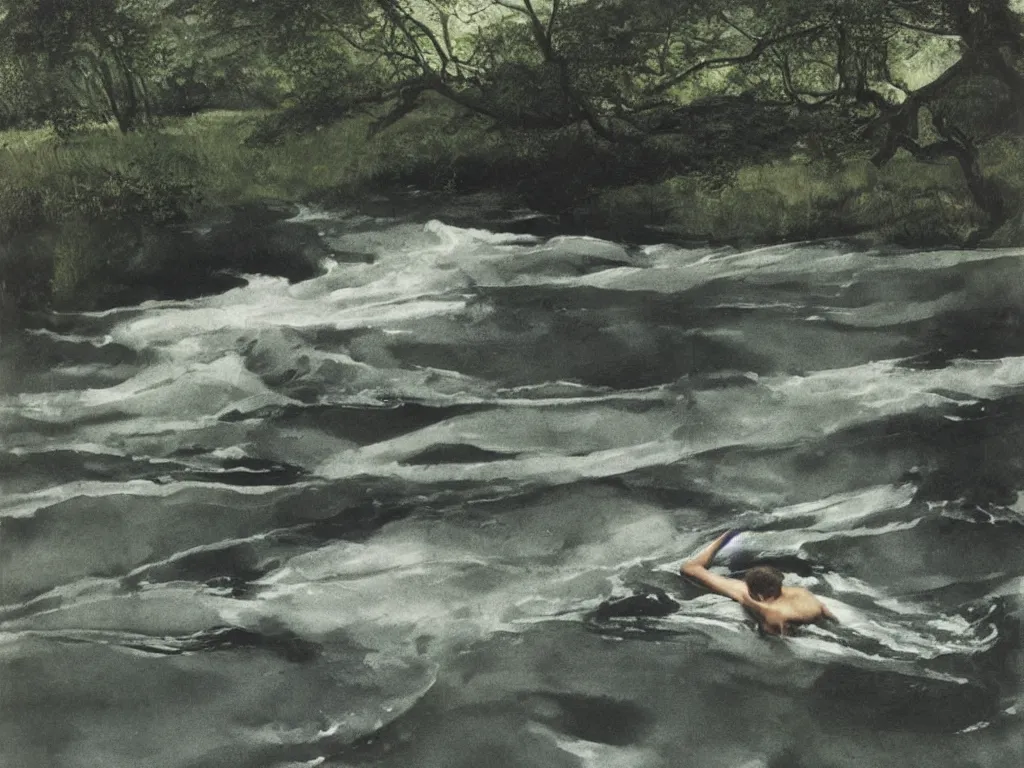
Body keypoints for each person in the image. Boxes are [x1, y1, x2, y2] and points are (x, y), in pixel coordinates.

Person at [680, 530, 836, 635]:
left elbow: (778, 636)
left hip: (783, 620)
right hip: (808, 613)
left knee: (690, 568)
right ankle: (725, 537)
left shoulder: (772, 611)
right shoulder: (802, 593)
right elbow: (827, 612)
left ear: (759, 595)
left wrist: (747, 600)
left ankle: (723, 537)